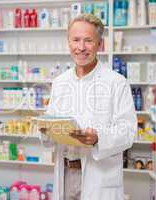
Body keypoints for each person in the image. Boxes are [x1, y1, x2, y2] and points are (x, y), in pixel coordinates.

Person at [40, 14, 137, 200]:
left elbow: (128, 131)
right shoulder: (60, 82)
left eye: (88, 41)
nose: (81, 47)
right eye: (76, 40)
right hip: (65, 173)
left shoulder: (116, 82)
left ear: (100, 44)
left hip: (98, 177)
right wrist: (45, 129)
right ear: (68, 43)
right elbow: (51, 123)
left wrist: (98, 138)